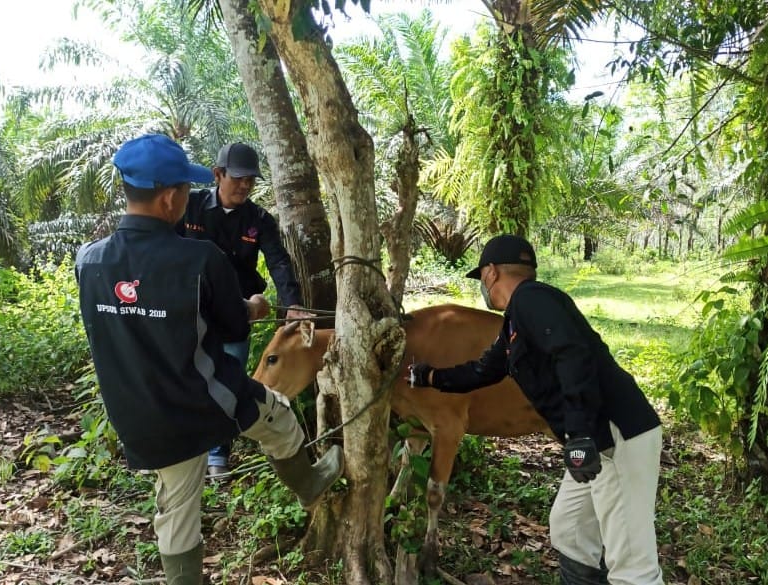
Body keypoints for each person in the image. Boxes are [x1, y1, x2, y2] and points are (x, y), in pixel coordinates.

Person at [76, 134, 343, 585]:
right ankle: (310, 482)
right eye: (184, 188)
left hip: (136, 414)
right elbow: (235, 327)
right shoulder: (201, 260)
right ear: (170, 197)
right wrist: (252, 309)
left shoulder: (88, 261)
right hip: (197, 403)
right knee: (276, 415)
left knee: (177, 509)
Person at [407, 234, 664, 585]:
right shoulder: (516, 321)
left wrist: (577, 433)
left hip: (616, 435)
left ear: (491, 273)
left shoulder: (532, 299)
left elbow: (573, 354)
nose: (483, 287)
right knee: (570, 531)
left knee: (633, 565)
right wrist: (431, 375)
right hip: (595, 440)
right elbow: (484, 370)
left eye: (482, 278)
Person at [178, 142, 312, 477]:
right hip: (190, 312)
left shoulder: (259, 220)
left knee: (229, 376)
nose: (245, 185)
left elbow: (278, 262)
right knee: (189, 376)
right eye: (238, 178)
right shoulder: (190, 208)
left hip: (237, 313)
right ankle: (187, 448)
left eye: (251, 179)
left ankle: (217, 453)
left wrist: (292, 302)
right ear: (218, 175)